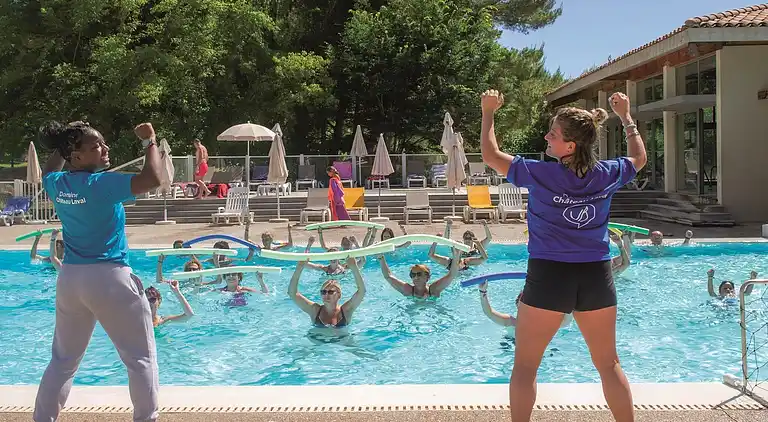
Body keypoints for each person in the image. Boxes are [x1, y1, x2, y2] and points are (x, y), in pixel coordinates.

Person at [480, 89, 646, 422]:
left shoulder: (541, 173)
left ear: (570, 146)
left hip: (549, 275)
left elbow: (491, 154)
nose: (546, 137)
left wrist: (488, 112)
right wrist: (626, 116)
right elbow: (640, 158)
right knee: (609, 364)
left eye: (553, 134)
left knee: (526, 366)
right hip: (595, 277)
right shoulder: (608, 173)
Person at [33, 120, 163, 422]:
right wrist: (150, 141)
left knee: (63, 361)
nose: (105, 150)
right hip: (110, 277)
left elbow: (48, 171)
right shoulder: (101, 184)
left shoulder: (58, 184)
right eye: (95, 147)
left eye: (103, 143)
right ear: (76, 157)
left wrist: (65, 141)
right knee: (140, 359)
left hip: (71, 279)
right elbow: (153, 178)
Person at [288, 258, 366, 328]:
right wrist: (299, 268)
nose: (326, 295)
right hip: (318, 343)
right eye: (323, 292)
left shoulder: (346, 310)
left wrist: (354, 267)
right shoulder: (315, 310)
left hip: (341, 343)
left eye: (331, 292)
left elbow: (362, 291)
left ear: (339, 295)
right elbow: (292, 293)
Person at [478, 282, 573, 336]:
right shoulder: (510, 321)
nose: (527, 304)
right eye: (523, 301)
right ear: (517, 304)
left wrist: (567, 297)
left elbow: (566, 320)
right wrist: (483, 291)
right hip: (510, 350)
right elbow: (489, 313)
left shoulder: (544, 325)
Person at [377, 248, 461, 299]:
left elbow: (451, 275)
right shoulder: (408, 290)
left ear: (427, 278)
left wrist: (456, 257)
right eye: (413, 275)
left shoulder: (434, 290)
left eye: (419, 274)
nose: (416, 277)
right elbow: (388, 276)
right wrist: (381, 258)